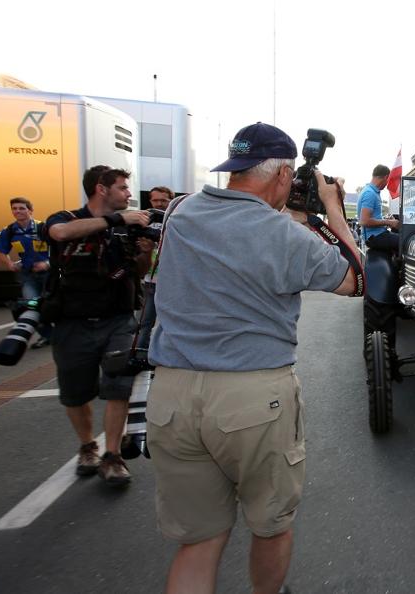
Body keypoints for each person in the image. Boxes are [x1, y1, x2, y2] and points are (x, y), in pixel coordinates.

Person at [147, 122, 361, 594]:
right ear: (284, 175)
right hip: (251, 400)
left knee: (199, 542)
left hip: (172, 397)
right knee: (270, 525)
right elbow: (354, 279)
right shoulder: (283, 235)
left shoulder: (180, 213)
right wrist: (331, 207)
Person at [45, 166, 151, 485]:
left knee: (119, 387)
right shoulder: (63, 217)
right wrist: (117, 220)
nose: (129, 194)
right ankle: (88, 446)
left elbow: (136, 270)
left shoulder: (127, 228)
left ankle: (113, 456)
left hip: (117, 319)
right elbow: (61, 234)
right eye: (122, 188)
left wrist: (143, 252)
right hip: (71, 322)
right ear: (101, 190)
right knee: (75, 396)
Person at [0, 196, 53, 347]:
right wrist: (9, 263)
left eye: (22, 208)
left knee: (53, 307)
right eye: (14, 208)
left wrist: (47, 263)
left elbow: (60, 249)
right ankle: (49, 336)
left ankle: (63, 334)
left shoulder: (43, 228)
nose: (18, 211)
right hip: (28, 276)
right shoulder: (10, 231)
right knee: (31, 306)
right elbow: (1, 251)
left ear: (30, 211)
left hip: (49, 275)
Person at [135, 186, 174, 351]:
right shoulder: (142, 221)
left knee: (171, 325)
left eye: (163, 200)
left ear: (170, 201)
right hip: (150, 282)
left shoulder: (177, 221)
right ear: (150, 201)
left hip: (172, 283)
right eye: (155, 200)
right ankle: (139, 354)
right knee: (144, 323)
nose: (159, 203)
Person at [358, 164, 400, 252]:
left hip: (376, 235)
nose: (387, 184)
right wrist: (389, 222)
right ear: (386, 177)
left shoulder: (370, 191)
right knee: (407, 242)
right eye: (388, 180)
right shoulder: (370, 193)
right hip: (375, 237)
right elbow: (364, 221)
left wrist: (385, 220)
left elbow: (371, 217)